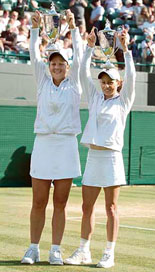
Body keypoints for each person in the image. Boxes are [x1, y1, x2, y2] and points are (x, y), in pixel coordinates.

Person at [64, 26, 136, 269]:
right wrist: (88, 47)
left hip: (113, 158)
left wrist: (126, 51)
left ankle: (109, 253)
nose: (106, 85)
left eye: (111, 82)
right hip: (93, 156)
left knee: (112, 208)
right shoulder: (94, 98)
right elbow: (83, 73)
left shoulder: (124, 100)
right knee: (86, 207)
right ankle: (84, 250)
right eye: (103, 81)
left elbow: (133, 77)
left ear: (119, 84)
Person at [21, 9, 82, 265]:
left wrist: (74, 27)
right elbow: (34, 56)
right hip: (44, 144)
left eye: (61, 63)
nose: (56, 66)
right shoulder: (42, 81)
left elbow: (81, 56)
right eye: (53, 63)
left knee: (60, 202)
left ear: (68, 66)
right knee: (38, 201)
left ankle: (55, 249)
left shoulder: (76, 82)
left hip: (66, 145)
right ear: (49, 66)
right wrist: (34, 29)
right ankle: (33, 248)